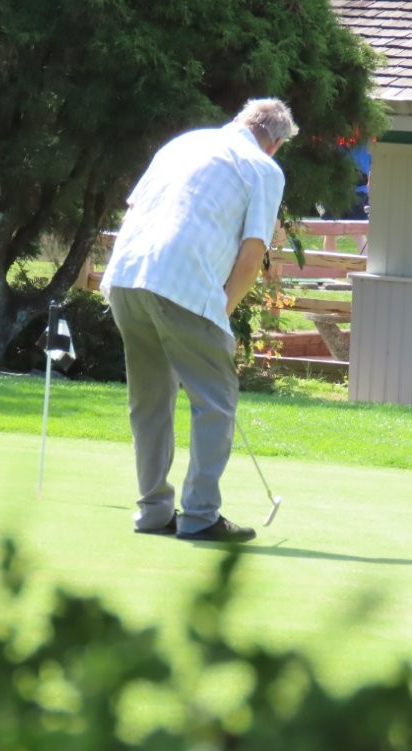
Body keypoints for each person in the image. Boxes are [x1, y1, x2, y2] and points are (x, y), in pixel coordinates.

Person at [100, 98, 299, 543]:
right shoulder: (264, 169)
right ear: (276, 143)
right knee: (217, 400)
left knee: (149, 400)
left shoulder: (182, 144)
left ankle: (153, 511)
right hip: (182, 282)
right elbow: (251, 258)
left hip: (127, 276)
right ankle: (200, 515)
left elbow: (133, 212)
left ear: (241, 121)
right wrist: (221, 312)